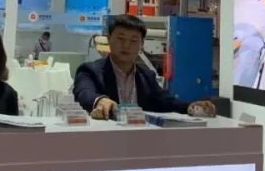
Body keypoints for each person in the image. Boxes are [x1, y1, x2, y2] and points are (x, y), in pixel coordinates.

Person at [74, 14, 216, 119]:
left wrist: (190, 106)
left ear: (141, 45)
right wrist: (100, 100)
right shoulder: (90, 70)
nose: (126, 45)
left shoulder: (147, 76)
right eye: (120, 38)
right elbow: (84, 93)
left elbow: (166, 102)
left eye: (133, 40)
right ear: (109, 39)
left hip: (139, 139)